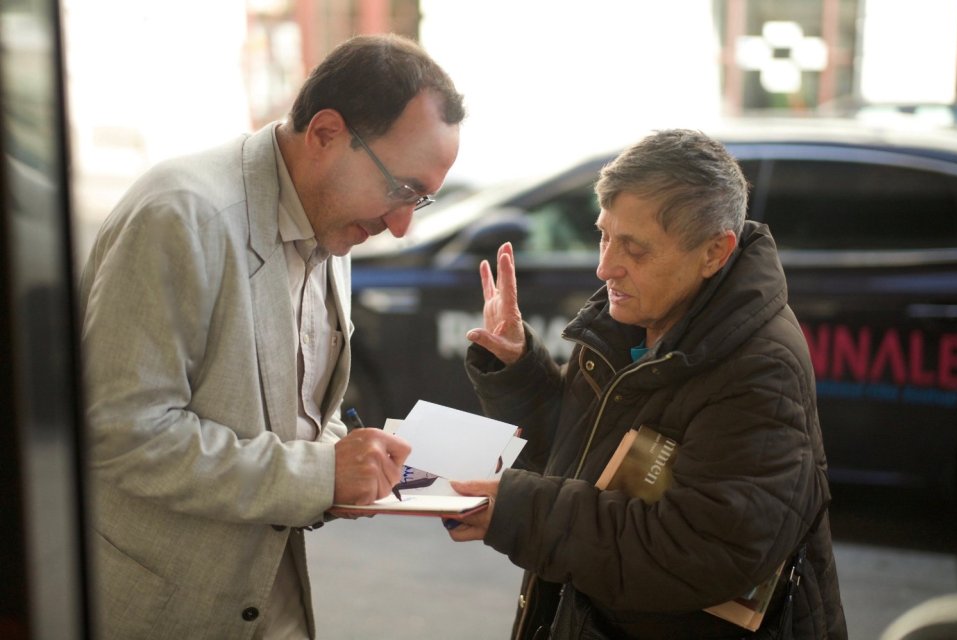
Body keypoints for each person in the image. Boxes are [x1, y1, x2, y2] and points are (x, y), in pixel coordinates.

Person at [78, 34, 464, 640]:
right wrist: (321, 475)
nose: (401, 224)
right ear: (326, 134)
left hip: (266, 591)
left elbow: (292, 412)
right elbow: (123, 433)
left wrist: (356, 460)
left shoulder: (331, 214)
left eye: (423, 198)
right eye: (402, 189)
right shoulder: (183, 214)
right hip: (160, 606)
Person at [448, 129, 847, 639]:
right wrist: (519, 369)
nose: (605, 265)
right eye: (603, 235)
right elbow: (578, 458)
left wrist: (522, 511)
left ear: (714, 253)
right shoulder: (635, 317)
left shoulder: (760, 368)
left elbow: (696, 553)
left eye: (634, 249)